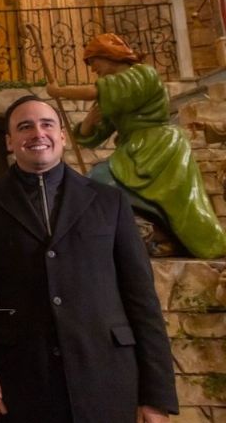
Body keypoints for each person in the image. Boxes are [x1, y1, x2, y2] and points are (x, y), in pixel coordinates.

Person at [0, 95, 178, 423]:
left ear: (61, 134)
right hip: (27, 382)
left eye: (47, 124)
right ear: (9, 141)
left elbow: (142, 300)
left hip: (107, 376)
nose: (37, 133)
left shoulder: (109, 201)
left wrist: (157, 395)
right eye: (24, 126)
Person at [47, 33, 226, 259]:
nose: (93, 69)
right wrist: (90, 121)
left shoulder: (143, 74)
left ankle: (175, 238)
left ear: (108, 55)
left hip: (160, 148)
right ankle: (160, 236)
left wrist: (59, 92)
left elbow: (100, 90)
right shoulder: (113, 94)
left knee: (175, 205)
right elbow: (93, 136)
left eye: (94, 62)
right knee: (97, 182)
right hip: (133, 151)